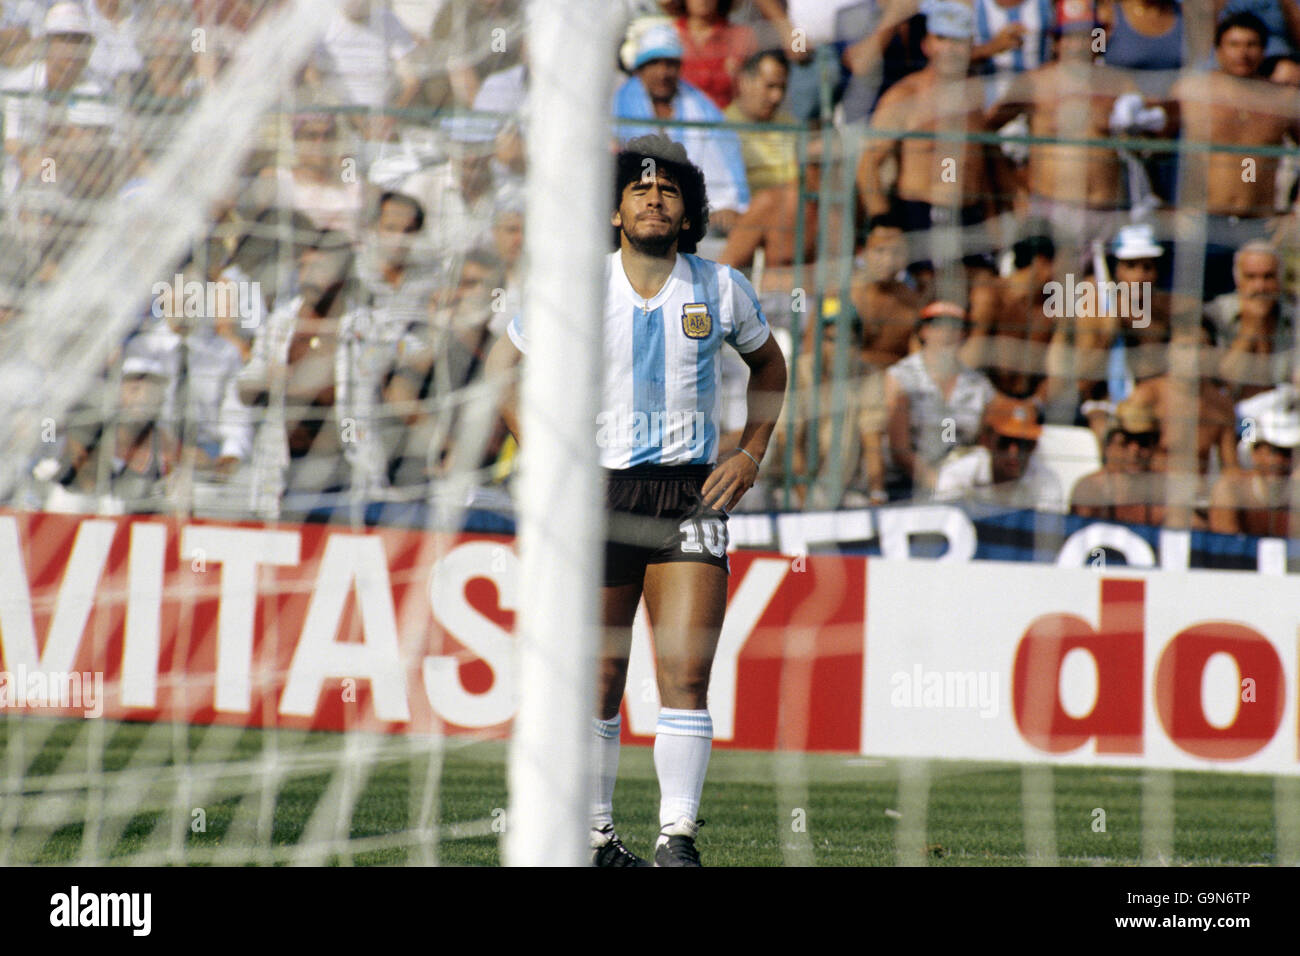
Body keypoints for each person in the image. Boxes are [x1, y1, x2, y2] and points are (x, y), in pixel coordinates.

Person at [486, 134, 787, 866]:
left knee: (686, 671)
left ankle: (677, 839)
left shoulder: (720, 287)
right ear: (616, 212)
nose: (655, 199)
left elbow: (769, 364)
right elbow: (503, 375)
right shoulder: (575, 285)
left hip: (689, 495)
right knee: (597, 675)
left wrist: (750, 452)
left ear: (689, 216)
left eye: (670, 192)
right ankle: (592, 838)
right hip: (601, 495)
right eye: (640, 190)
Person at [613, 17, 750, 231]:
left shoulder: (703, 110)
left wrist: (727, 206)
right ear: (640, 68)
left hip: (692, 217)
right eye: (654, 63)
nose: (663, 72)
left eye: (670, 64)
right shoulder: (616, 105)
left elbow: (725, 170)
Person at [933, 396, 1064, 509]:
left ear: (1034, 446)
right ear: (987, 441)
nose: (1014, 452)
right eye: (1005, 442)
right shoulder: (958, 472)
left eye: (1023, 443)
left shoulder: (1046, 483)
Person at [1209, 387, 1300, 535]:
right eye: (1272, 451)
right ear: (1254, 453)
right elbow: (1225, 551)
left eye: (1287, 453)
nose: (1278, 461)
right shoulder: (1232, 490)